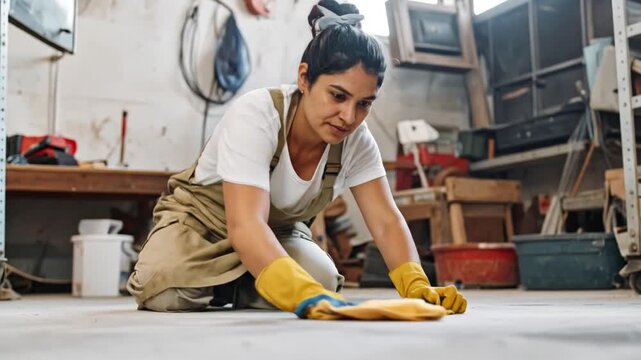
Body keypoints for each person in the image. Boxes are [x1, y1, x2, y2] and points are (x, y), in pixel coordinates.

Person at [127, 0, 467, 318]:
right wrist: (298, 291)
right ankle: (237, 280)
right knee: (166, 292)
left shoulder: (356, 141)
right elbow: (245, 224)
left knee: (322, 280)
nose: (348, 116)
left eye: (364, 103)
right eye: (338, 95)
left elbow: (386, 221)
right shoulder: (258, 114)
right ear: (304, 78)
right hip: (202, 227)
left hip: (275, 234)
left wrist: (417, 285)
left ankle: (247, 279)